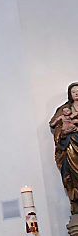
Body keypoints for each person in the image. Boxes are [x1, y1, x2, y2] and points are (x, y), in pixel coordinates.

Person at [49, 82, 78, 213]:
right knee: (72, 172)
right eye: (74, 92)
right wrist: (65, 131)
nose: (77, 93)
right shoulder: (64, 110)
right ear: (70, 95)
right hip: (72, 143)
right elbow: (56, 126)